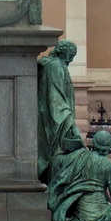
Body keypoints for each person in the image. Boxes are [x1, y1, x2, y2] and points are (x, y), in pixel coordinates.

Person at [37, 39, 85, 183]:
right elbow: (56, 101)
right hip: (55, 122)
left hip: (50, 119)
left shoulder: (53, 66)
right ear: (63, 53)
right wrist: (71, 125)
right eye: (70, 56)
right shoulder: (56, 67)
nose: (70, 59)